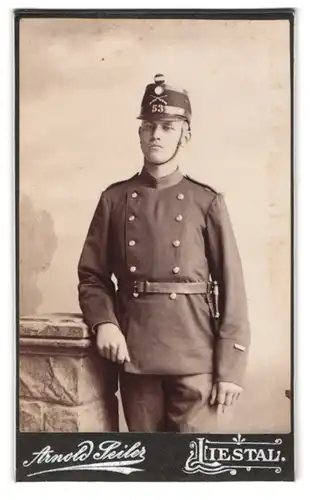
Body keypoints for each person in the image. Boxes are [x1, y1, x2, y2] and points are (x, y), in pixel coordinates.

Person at [77, 73, 250, 432]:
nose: (156, 134)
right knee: (148, 467)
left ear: (185, 134)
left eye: (168, 127)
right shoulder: (115, 199)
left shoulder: (207, 201)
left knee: (194, 471)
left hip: (197, 355)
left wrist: (231, 368)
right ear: (139, 133)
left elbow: (233, 286)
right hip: (137, 355)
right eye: (149, 126)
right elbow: (92, 276)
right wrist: (104, 322)